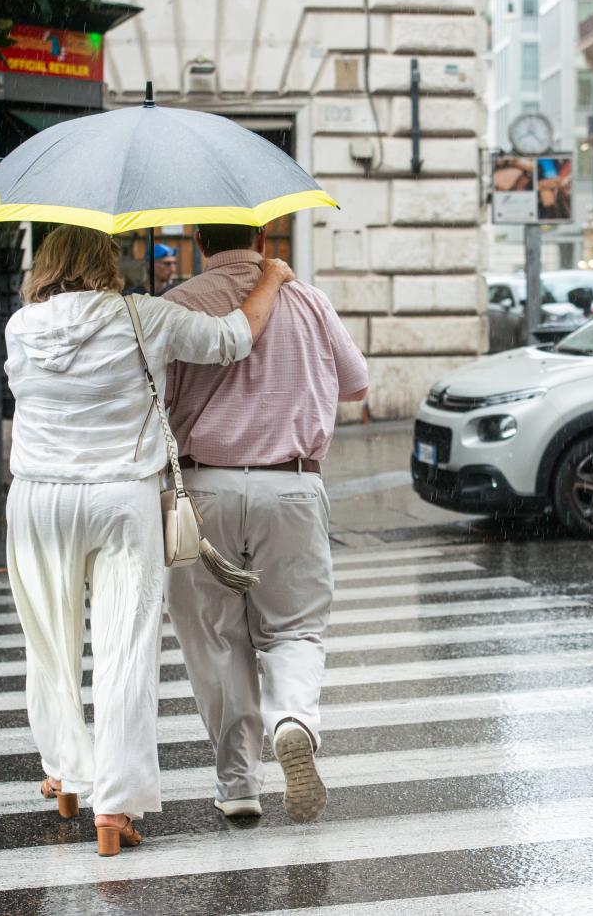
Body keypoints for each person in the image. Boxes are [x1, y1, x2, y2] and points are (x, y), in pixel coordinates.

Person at [3, 224, 292, 857]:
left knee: (49, 642)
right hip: (118, 495)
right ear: (104, 260)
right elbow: (232, 340)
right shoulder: (144, 316)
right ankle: (116, 808)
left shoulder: (20, 326)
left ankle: (65, 772)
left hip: (36, 497)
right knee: (124, 652)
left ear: (48, 264)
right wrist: (270, 277)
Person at [163, 222, 368, 825]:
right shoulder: (309, 300)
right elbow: (357, 385)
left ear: (200, 237)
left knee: (216, 638)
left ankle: (237, 786)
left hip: (202, 489)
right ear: (259, 232)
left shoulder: (180, 303)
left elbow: (155, 397)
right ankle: (293, 721)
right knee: (296, 627)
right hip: (293, 482)